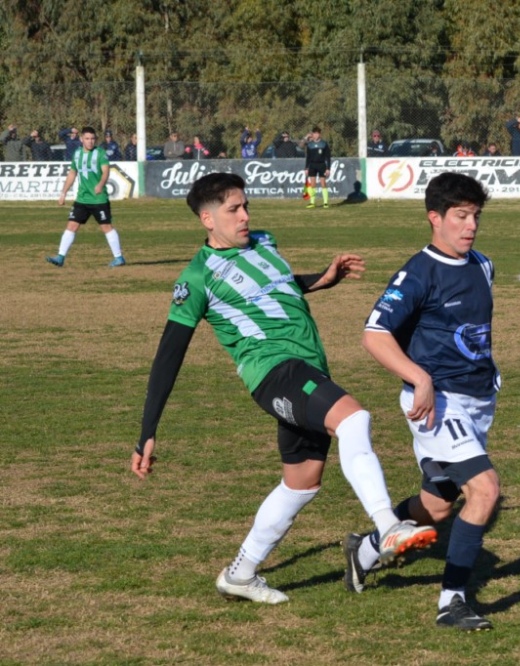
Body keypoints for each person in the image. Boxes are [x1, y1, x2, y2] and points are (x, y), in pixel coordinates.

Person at [130, 172, 437, 605]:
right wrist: (147, 429)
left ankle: (240, 573)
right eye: (233, 209)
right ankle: (388, 526)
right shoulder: (197, 278)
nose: (245, 216)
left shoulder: (263, 243)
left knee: (302, 482)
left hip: (306, 367)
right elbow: (168, 355)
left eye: (246, 206)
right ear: (206, 219)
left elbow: (277, 287)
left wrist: (322, 279)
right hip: (275, 371)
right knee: (354, 418)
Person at [352, 172, 499, 631]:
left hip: (477, 402)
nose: (470, 225)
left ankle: (365, 548)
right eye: (460, 216)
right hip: (437, 404)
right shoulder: (417, 272)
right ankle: (451, 603)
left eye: (475, 215)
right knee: (485, 490)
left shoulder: (483, 265)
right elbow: (374, 335)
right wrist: (419, 378)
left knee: (436, 507)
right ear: (434, 218)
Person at [45, 126, 127, 268]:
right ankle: (60, 257)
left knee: (106, 227)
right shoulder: (77, 154)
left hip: (98, 199)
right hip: (82, 198)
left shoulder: (100, 153)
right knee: (71, 225)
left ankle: (119, 258)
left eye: (93, 139)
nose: (90, 142)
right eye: (87, 139)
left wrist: (100, 184)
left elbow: (106, 172)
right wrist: (63, 192)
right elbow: (72, 173)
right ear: (82, 139)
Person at [303, 126, 331, 209]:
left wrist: (328, 168)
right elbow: (308, 157)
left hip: (321, 165)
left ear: (320, 134)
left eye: (317, 133)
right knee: (313, 184)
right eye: (314, 133)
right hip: (312, 165)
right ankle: (312, 202)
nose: (315, 135)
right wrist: (306, 168)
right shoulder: (310, 145)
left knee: (323, 183)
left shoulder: (324, 144)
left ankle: (325, 202)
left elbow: (328, 157)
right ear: (312, 134)